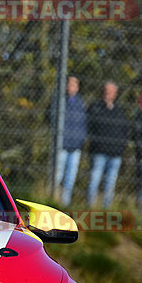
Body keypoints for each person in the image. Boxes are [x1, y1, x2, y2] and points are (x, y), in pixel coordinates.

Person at [86, 80, 129, 208]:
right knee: (94, 180)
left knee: (110, 183)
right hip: (99, 151)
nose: (107, 93)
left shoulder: (119, 111)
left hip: (115, 153)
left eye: (110, 91)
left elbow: (124, 131)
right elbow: (90, 127)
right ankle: (90, 206)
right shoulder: (95, 107)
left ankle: (106, 208)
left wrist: (121, 148)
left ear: (115, 94)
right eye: (105, 91)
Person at [55, 75, 87, 206]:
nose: (71, 87)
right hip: (61, 145)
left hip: (75, 147)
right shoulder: (59, 101)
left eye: (74, 85)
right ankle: (53, 201)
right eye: (69, 84)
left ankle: (64, 205)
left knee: (70, 178)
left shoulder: (81, 103)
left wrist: (80, 140)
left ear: (77, 87)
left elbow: (84, 124)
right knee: (57, 175)